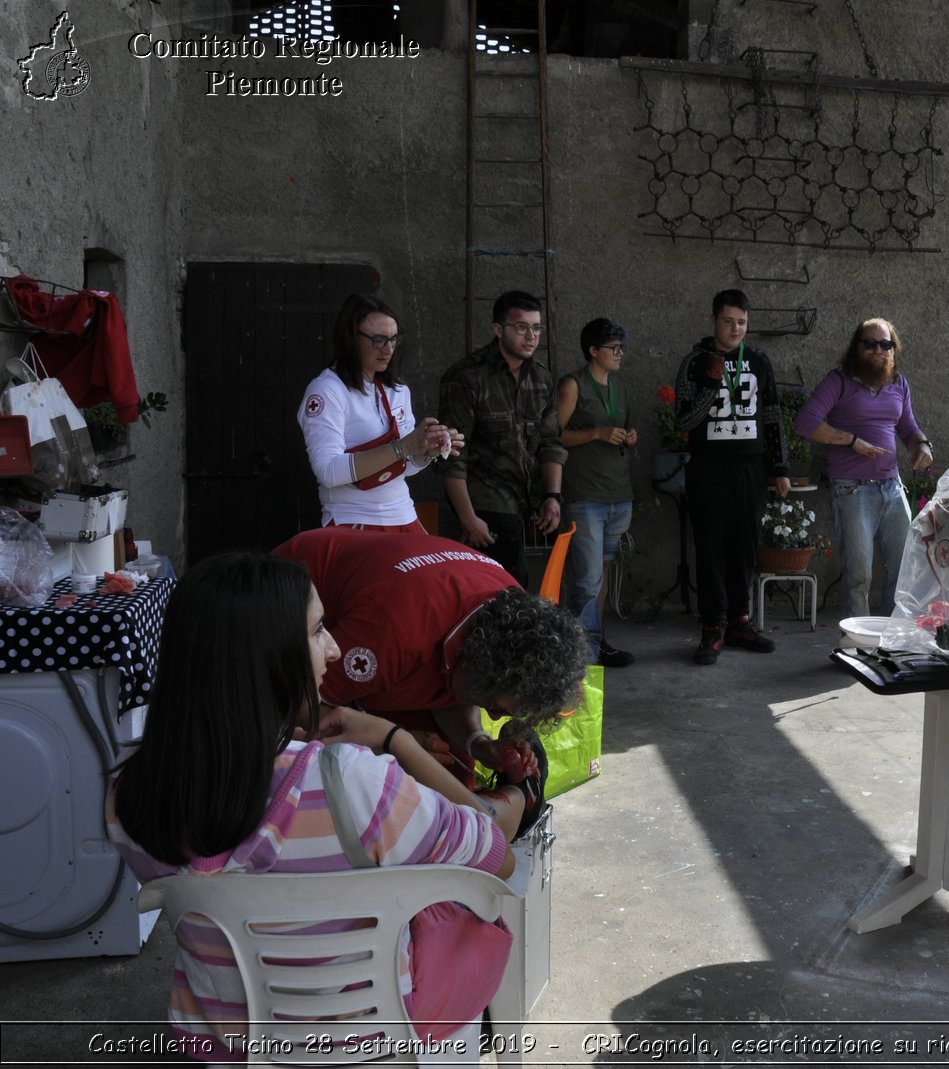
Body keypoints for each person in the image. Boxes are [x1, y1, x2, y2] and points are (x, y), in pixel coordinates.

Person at [105, 552, 532, 1062]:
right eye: (317, 630)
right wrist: (398, 741)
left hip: (220, 1046)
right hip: (367, 1044)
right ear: (268, 656)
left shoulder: (128, 793)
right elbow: (496, 857)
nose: (332, 649)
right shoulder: (349, 782)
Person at [274, 526, 589, 794]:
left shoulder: (513, 616)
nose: (491, 716)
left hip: (398, 621)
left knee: (451, 777)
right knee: (379, 782)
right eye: (493, 705)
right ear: (483, 662)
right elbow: (303, 706)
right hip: (288, 600)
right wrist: (392, 741)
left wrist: (477, 742)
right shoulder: (395, 631)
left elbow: (452, 688)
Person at [674, 288, 790, 665]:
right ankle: (711, 627)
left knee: (744, 546)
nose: (735, 328)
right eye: (728, 321)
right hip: (708, 467)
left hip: (750, 468)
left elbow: (772, 415)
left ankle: (740, 622)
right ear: (713, 320)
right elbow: (684, 422)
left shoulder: (758, 360)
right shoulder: (694, 362)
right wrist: (710, 383)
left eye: (742, 322)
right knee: (709, 548)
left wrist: (780, 469)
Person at [794, 317, 932, 618]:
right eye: (869, 344)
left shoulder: (899, 383)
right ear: (857, 347)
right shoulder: (839, 380)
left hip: (892, 487)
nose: (878, 350)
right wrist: (851, 441)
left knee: (903, 570)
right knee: (859, 576)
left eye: (886, 344)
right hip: (853, 489)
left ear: (894, 349)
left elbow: (907, 427)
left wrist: (922, 446)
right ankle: (856, 648)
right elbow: (805, 423)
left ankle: (890, 643)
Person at [297, 293, 463, 531]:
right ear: (350, 339)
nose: (388, 349)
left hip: (404, 514)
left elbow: (406, 468)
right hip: (353, 519)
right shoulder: (326, 390)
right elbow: (328, 472)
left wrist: (426, 450)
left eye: (394, 339)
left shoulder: (396, 389)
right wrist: (404, 446)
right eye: (378, 340)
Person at [437, 290, 566, 588]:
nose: (531, 336)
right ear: (498, 330)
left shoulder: (542, 378)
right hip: (483, 502)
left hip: (523, 500)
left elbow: (551, 443)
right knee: (506, 591)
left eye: (536, 328)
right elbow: (451, 455)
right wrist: (467, 518)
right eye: (521, 327)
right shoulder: (467, 377)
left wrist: (553, 497)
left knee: (512, 590)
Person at [555, 317, 638, 667]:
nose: (619, 354)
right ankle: (580, 655)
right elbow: (553, 436)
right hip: (585, 495)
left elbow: (621, 429)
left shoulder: (619, 388)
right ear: (593, 350)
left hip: (618, 494)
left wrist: (629, 437)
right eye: (613, 348)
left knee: (600, 576)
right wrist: (595, 434)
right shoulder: (573, 384)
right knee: (587, 580)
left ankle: (594, 644)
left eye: (621, 348)